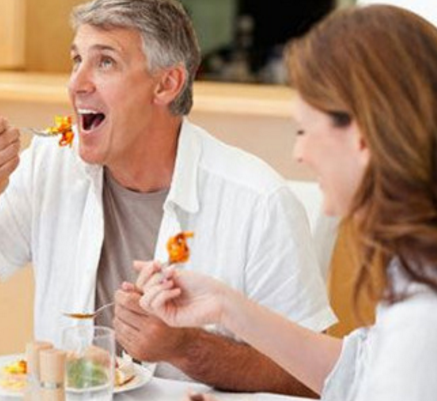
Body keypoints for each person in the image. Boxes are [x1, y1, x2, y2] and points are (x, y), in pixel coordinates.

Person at [0, 0, 334, 394]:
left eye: (105, 62)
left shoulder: (259, 201)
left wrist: (184, 347)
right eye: (77, 59)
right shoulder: (49, 164)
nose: (76, 84)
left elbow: (316, 382)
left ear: (166, 84)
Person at [138, 5, 437, 400]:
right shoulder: (415, 266)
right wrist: (225, 307)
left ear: (361, 137)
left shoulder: (424, 317)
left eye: (303, 130)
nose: (299, 153)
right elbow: (360, 371)